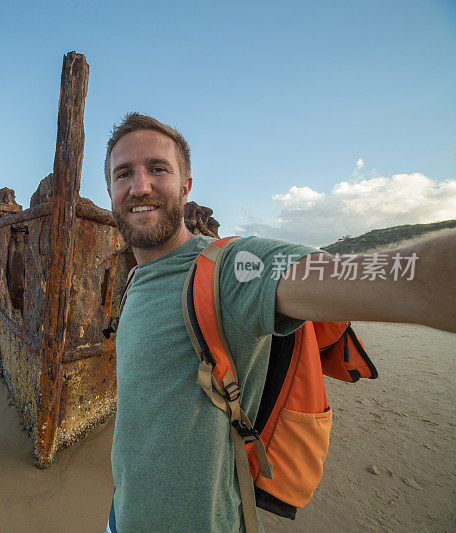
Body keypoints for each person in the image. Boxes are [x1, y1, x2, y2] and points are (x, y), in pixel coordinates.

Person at [104, 113, 456, 532]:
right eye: (124, 173)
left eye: (157, 168)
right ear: (110, 189)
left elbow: (372, 276)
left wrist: (429, 277)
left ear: (186, 185)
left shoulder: (230, 269)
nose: (139, 185)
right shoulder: (134, 279)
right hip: (121, 517)